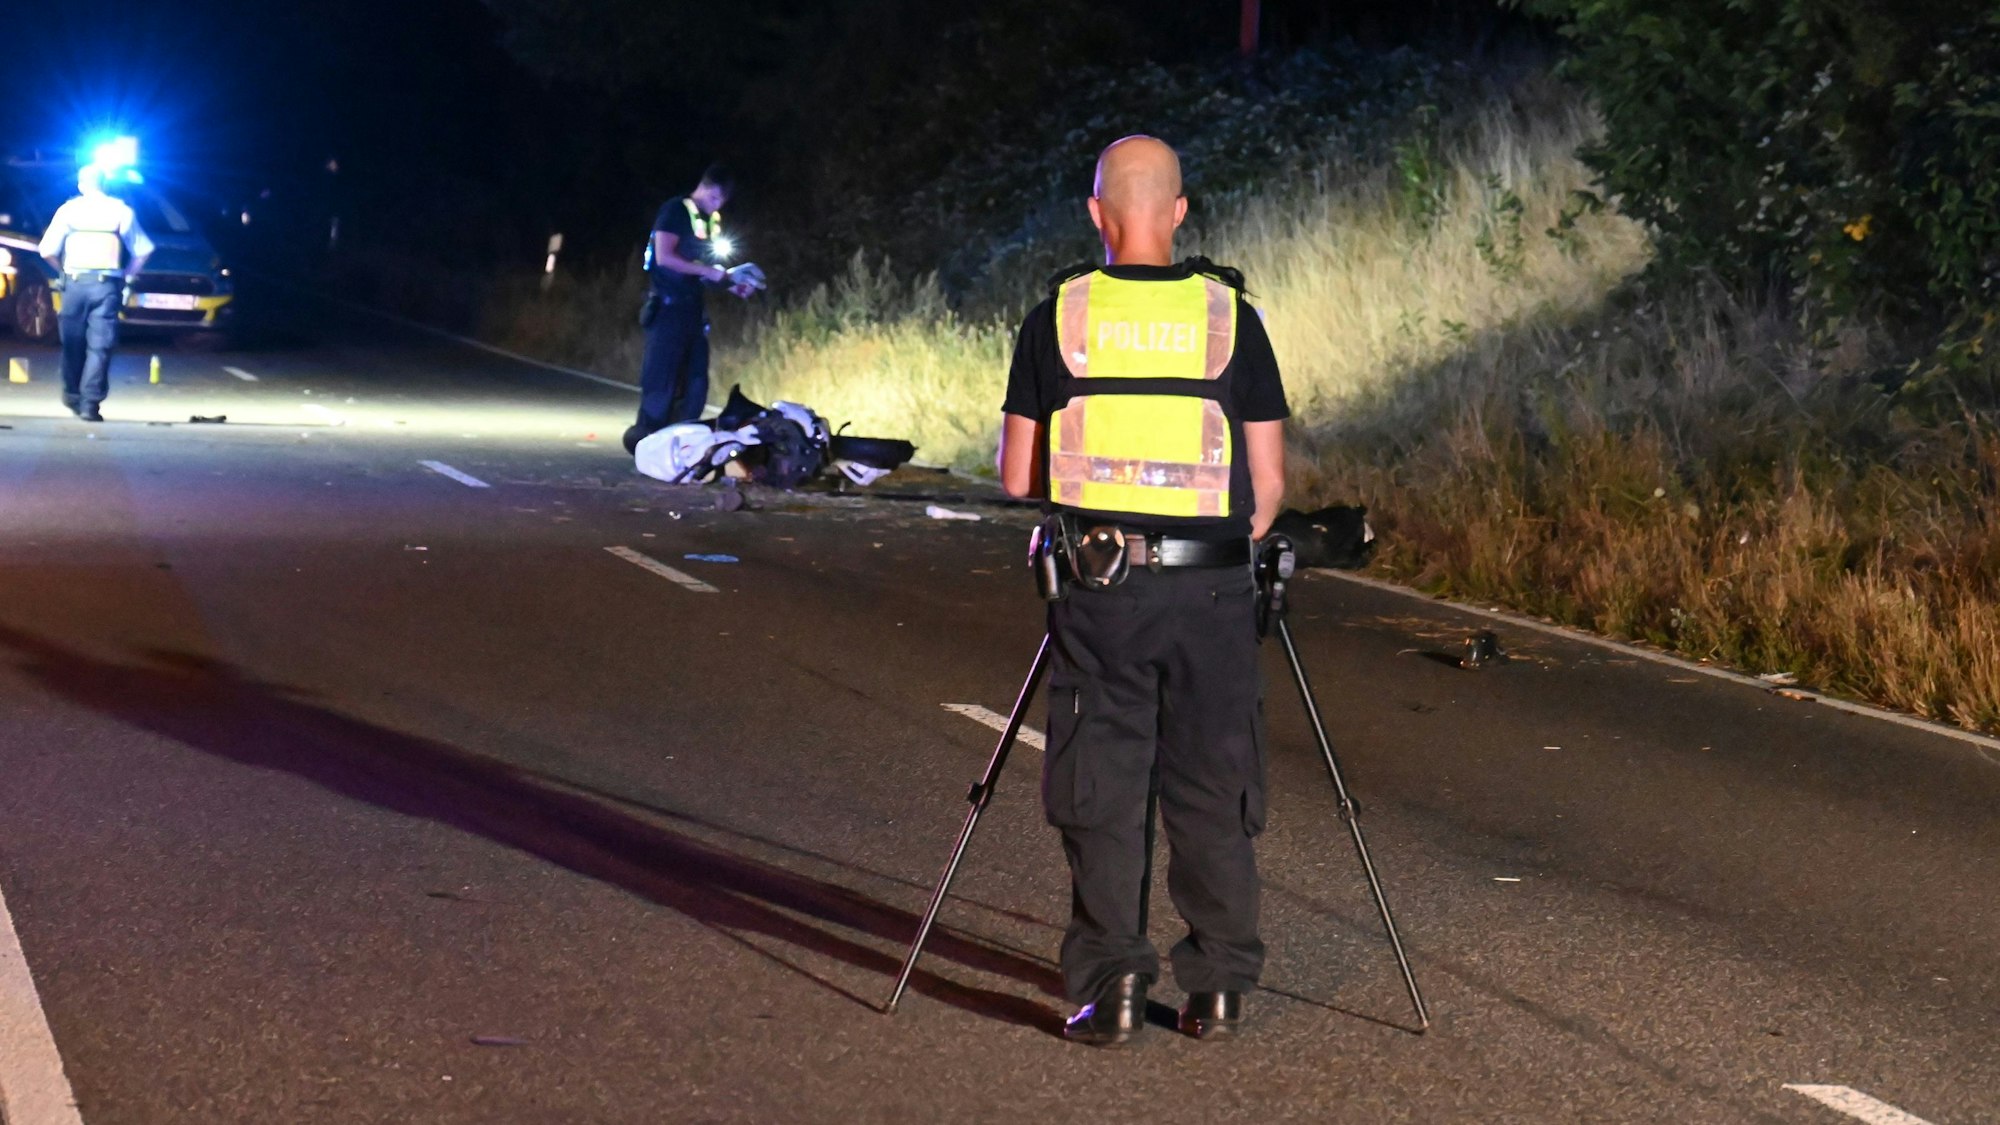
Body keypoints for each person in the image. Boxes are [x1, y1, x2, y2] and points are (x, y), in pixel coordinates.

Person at [997, 135, 1290, 1047]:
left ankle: (1112, 987)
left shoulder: (1059, 318)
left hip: (1103, 587)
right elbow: (1267, 484)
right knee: (1211, 782)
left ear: (1096, 216)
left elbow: (1017, 475)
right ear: (1177, 212)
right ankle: (1218, 989)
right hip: (1211, 597)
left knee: (1105, 782)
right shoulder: (1230, 317)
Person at [626, 164, 756, 452]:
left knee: (696, 383)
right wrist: (712, 273)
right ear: (708, 189)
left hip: (693, 312)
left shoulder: (710, 221)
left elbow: (701, 270)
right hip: (668, 311)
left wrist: (731, 284)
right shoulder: (675, 211)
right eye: (716, 200)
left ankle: (684, 450)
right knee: (661, 384)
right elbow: (664, 257)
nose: (717, 207)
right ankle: (648, 446)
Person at [37, 164, 153, 422]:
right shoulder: (121, 211)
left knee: (72, 344)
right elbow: (143, 250)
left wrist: (62, 271)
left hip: (74, 284)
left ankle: (72, 395)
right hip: (107, 285)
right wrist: (128, 275)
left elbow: (46, 250)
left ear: (80, 185)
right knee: (100, 347)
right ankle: (90, 404)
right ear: (106, 184)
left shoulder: (68, 211)